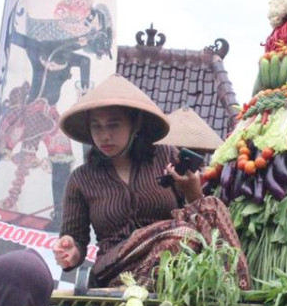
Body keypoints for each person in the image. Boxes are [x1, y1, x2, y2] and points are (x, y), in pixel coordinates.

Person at [53, 74, 250, 288]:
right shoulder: (81, 179)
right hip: (114, 269)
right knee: (182, 235)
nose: (105, 136)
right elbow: (76, 241)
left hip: (170, 264)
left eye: (113, 125)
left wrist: (193, 193)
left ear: (135, 124)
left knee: (211, 206)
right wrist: (71, 250)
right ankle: (128, 288)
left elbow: (198, 220)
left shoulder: (166, 157)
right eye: (97, 127)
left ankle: (236, 292)